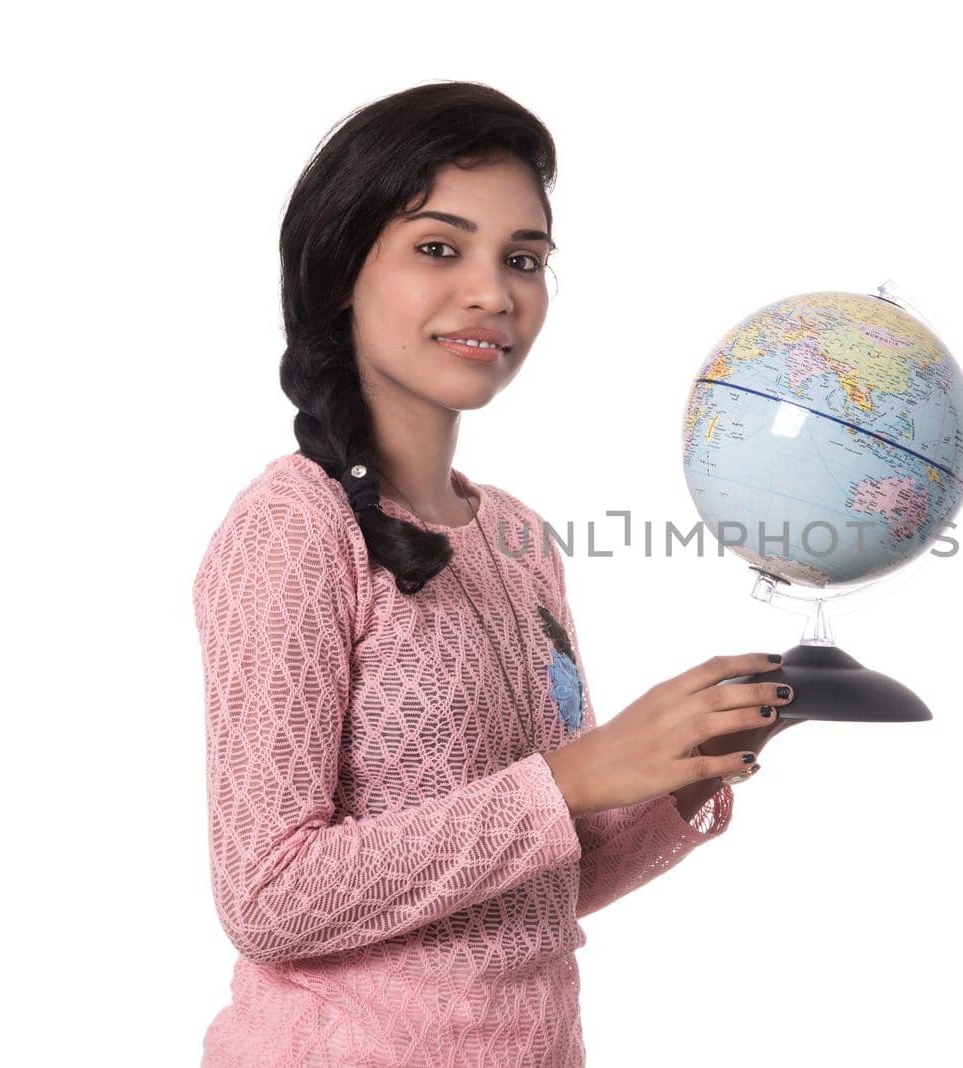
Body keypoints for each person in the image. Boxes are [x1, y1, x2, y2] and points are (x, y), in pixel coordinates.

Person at [190, 82, 800, 1067]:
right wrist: (572, 778)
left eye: (524, 259)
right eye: (441, 247)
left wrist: (686, 766)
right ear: (341, 272)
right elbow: (268, 898)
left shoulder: (516, 539)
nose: (494, 291)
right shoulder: (291, 533)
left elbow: (536, 872)